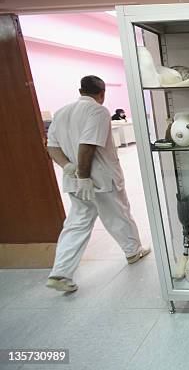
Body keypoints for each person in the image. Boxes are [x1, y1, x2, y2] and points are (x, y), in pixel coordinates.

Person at [46, 75, 149, 292]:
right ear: (102, 93)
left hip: (74, 180)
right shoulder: (98, 111)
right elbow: (87, 145)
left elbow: (52, 147)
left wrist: (67, 167)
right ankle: (133, 252)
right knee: (118, 215)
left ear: (80, 90)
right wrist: (83, 176)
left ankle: (60, 273)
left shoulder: (62, 112)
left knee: (77, 222)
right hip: (99, 179)